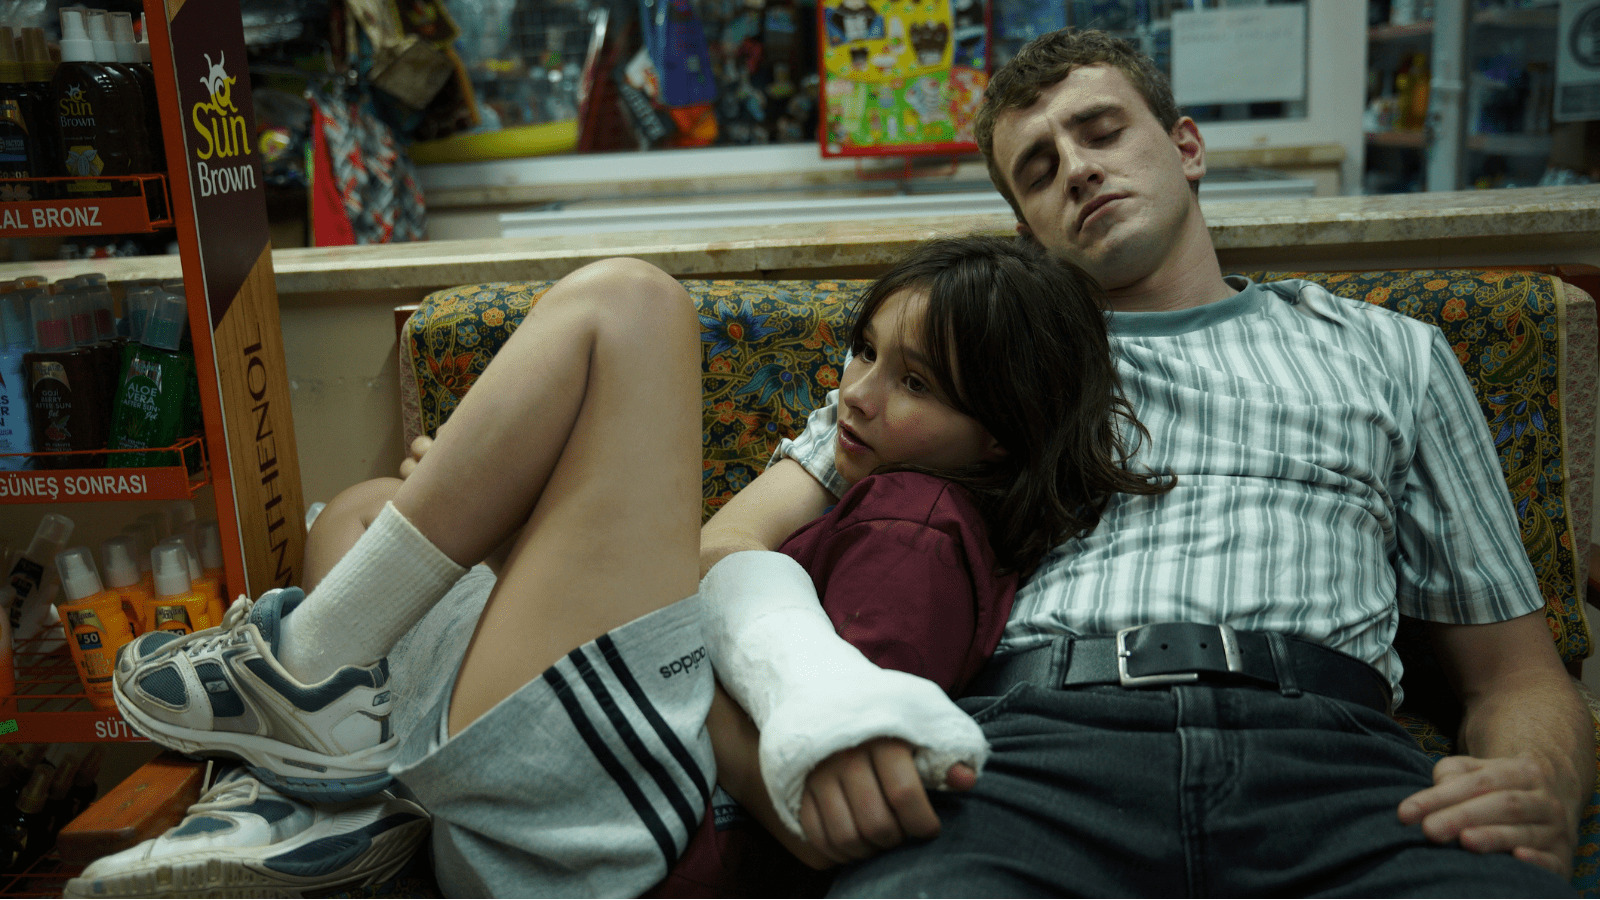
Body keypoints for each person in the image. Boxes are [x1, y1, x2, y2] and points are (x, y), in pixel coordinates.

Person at [696, 27, 1594, 897]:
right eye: (1040, 171)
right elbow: (728, 544)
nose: (1079, 168)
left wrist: (1535, 781)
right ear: (1026, 231)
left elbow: (1517, 676)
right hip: (1033, 758)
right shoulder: (967, 361)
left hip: (1332, 759)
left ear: (1186, 147)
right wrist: (812, 699)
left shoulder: (1393, 352)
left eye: (1101, 131)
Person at [77, 235, 1166, 897]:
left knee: (632, 304)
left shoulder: (918, 532)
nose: (863, 393)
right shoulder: (873, 471)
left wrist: (520, 544)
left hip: (613, 837)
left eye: (915, 381)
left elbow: (796, 764)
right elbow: (713, 559)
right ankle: (331, 774)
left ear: (1001, 435)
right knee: (368, 513)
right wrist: (515, 537)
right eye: (864, 348)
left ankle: (310, 682)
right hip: (588, 794)